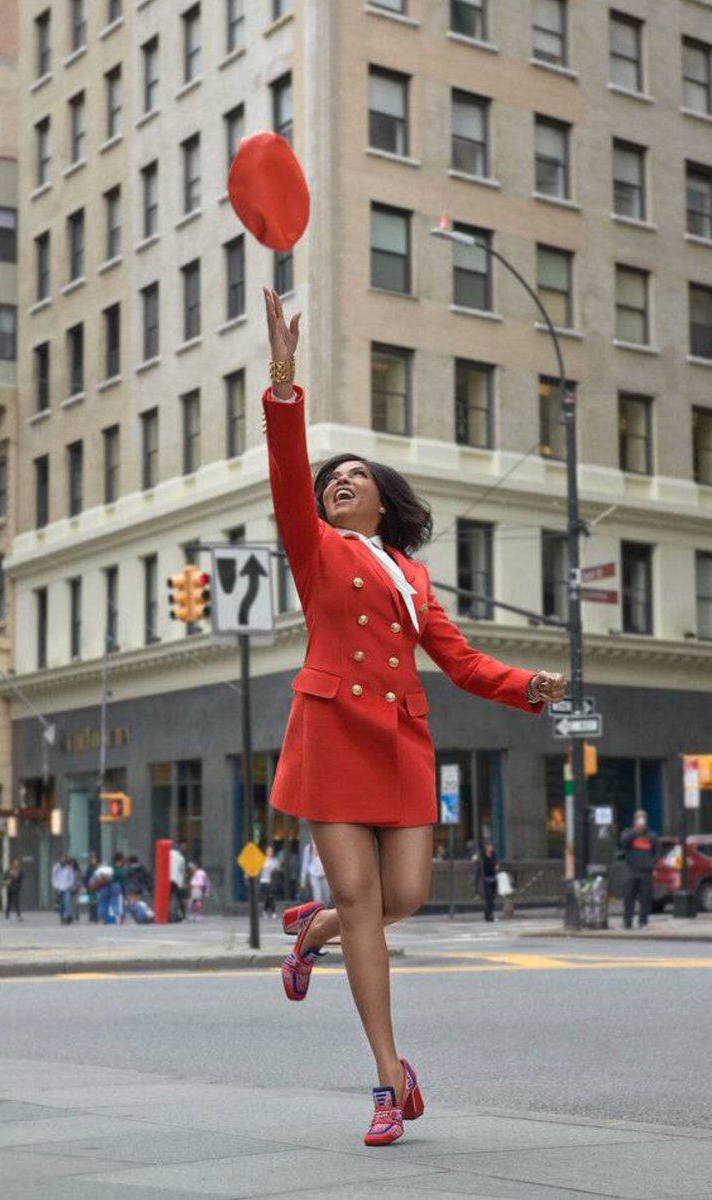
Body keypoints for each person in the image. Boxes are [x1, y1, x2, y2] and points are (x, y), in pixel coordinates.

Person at [261, 286, 567, 1146]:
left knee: (405, 896)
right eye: (331, 481)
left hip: (399, 740)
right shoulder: (312, 547)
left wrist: (526, 687)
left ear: (384, 502)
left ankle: (307, 932)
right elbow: (288, 466)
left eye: (353, 477)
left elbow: (461, 661)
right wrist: (283, 374)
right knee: (364, 903)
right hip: (328, 733)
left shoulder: (414, 577)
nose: (336, 484)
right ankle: (387, 1081)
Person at [620, 810, 660, 929]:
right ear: (634, 820)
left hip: (646, 871)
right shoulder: (628, 833)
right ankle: (627, 921)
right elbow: (623, 842)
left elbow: (658, 851)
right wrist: (635, 831)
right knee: (628, 896)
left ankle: (643, 921)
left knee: (645, 898)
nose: (641, 821)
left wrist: (651, 863)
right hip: (631, 870)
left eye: (642, 818)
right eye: (638, 818)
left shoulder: (652, 836)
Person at [474, 840, 499, 922]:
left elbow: (496, 863)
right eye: (489, 846)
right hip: (485, 879)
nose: (490, 848)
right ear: (485, 847)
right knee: (489, 898)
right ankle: (489, 915)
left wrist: (496, 867)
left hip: (493, 878)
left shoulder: (494, 854)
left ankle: (487, 914)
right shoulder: (482, 856)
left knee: (492, 898)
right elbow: (478, 867)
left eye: (491, 846)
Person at [301, 836, 329, 905]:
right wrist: (303, 880)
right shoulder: (309, 848)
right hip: (313, 875)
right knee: (317, 898)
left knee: (326, 898)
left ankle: (324, 911)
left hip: (324, 875)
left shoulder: (324, 846)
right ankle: (320, 914)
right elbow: (305, 864)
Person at [51, 853, 75, 924]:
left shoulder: (69, 868)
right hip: (59, 888)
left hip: (66, 887)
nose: (63, 860)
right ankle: (62, 917)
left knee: (66, 902)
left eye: (64, 858)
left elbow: (72, 877)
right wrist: (55, 886)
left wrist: (69, 885)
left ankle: (67, 916)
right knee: (61, 904)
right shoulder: (56, 867)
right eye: (62, 858)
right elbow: (53, 877)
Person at [259, 846, 279, 918]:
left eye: (271, 851)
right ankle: (271, 912)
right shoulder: (263, 860)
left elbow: (277, 869)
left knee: (270, 896)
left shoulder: (274, 861)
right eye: (268, 851)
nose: (270, 853)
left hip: (271, 881)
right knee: (269, 896)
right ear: (266, 852)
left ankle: (266, 911)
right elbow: (260, 869)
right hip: (264, 880)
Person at [169, 842, 187, 922]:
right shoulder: (181, 858)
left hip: (166, 880)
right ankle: (182, 914)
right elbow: (182, 871)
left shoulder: (166, 855)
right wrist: (183, 882)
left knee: (168, 898)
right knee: (179, 898)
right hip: (176, 881)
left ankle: (167, 913)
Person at [83, 852, 100, 923]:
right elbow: (86, 878)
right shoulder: (89, 868)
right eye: (92, 859)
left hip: (97, 886)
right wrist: (86, 886)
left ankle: (95, 916)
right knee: (92, 902)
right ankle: (92, 916)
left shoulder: (98, 867)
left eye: (95, 859)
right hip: (91, 887)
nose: (94, 860)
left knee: (96, 902)